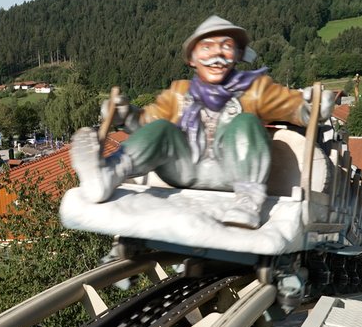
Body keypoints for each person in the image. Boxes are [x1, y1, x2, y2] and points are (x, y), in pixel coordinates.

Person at [70, 15, 334, 229]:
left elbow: (292, 107)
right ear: (192, 59)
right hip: (183, 170)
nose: (216, 55)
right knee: (162, 128)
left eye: (226, 46)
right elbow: (146, 123)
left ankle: (247, 204)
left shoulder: (256, 88)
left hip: (234, 174)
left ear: (238, 54)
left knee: (246, 123)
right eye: (206, 48)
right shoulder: (178, 92)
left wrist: (312, 107)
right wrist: (125, 115)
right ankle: (107, 175)